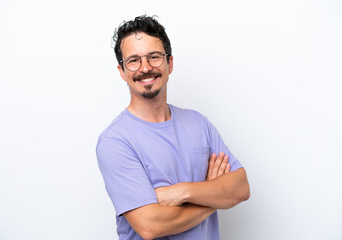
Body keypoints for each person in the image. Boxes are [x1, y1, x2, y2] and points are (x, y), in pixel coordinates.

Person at [96, 15, 250, 240]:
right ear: (122, 71)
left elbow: (241, 188)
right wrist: (213, 195)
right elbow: (151, 226)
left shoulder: (199, 123)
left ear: (170, 63)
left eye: (154, 57)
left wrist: (182, 192)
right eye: (134, 60)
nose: (145, 68)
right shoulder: (115, 141)